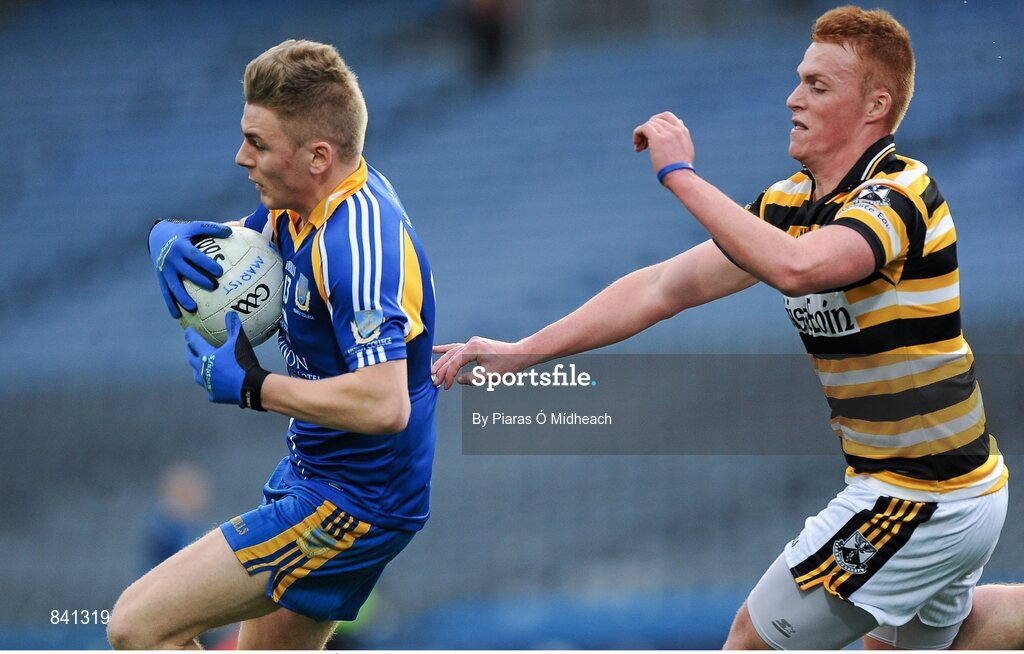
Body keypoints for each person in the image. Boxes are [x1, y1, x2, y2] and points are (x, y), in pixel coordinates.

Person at [432, 6, 1022, 650]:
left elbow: (800, 269)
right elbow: (663, 287)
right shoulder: (790, 202)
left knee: (750, 639)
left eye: (819, 86)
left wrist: (679, 174)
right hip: (953, 488)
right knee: (952, 638)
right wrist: (524, 351)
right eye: (800, 79)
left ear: (875, 106)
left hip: (916, 494)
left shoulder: (899, 193)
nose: (793, 97)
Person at [110, 39, 438, 650]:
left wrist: (255, 387)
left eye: (257, 143)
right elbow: (240, 248)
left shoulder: (357, 248)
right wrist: (165, 235)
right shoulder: (304, 205)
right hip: (321, 478)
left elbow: (385, 404)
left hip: (351, 504)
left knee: (136, 627)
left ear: (318, 155)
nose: (240, 158)